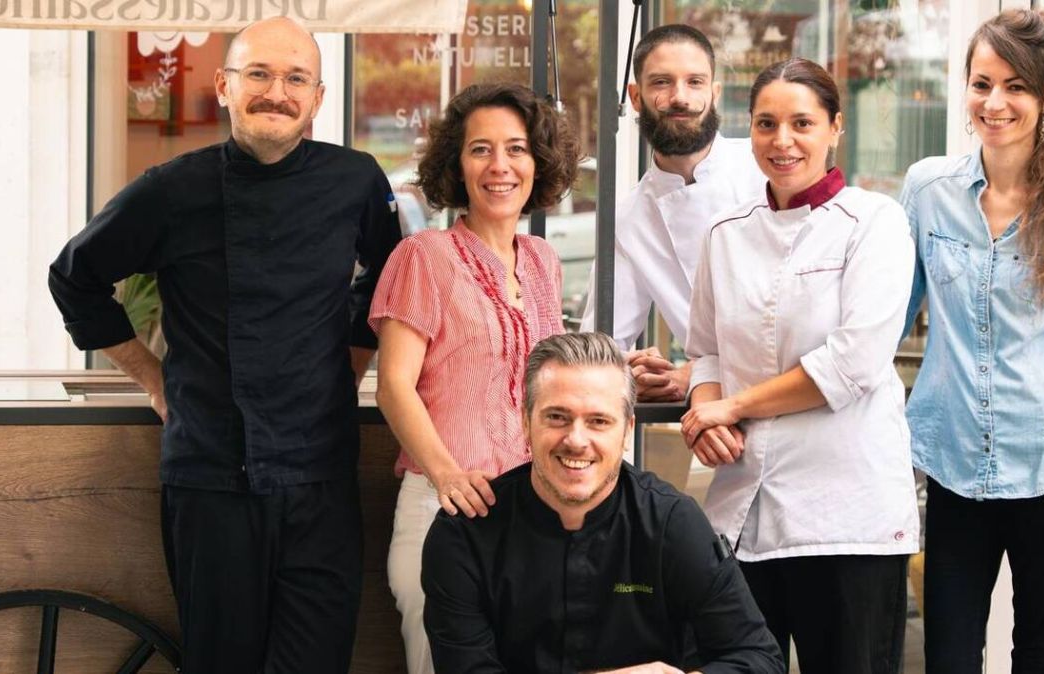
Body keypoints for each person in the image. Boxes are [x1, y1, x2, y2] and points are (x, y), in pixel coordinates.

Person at [47, 17, 400, 674]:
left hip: (321, 475)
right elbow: (75, 277)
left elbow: (390, 277)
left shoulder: (355, 181)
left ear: (317, 98)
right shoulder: (170, 189)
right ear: (225, 87)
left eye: (297, 78)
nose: (278, 92)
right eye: (259, 75)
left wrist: (353, 362)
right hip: (212, 478)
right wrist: (151, 379)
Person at [899, 10, 1044, 673]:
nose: (994, 103)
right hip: (951, 468)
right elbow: (887, 318)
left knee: (1042, 657)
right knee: (947, 656)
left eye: (1016, 86)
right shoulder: (927, 191)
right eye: (981, 83)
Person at [680, 58, 919, 674]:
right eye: (766, 123)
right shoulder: (725, 233)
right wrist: (709, 416)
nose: (782, 141)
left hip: (847, 518)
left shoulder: (876, 223)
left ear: (835, 128)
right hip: (743, 510)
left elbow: (853, 362)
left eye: (802, 123)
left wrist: (729, 406)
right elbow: (704, 348)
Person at [369, 82, 581, 674]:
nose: (500, 166)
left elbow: (538, 377)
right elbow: (394, 386)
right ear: (456, 166)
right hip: (444, 511)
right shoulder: (423, 256)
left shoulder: (543, 260)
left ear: (538, 163)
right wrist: (446, 475)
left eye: (516, 149)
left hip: (532, 511)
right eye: (480, 149)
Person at [421, 332, 784, 674]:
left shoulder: (671, 522)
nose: (576, 440)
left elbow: (759, 658)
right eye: (557, 417)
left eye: (598, 421)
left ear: (627, 430)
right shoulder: (466, 534)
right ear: (525, 423)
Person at [580, 24, 766, 402]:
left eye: (695, 82)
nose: (679, 97)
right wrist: (633, 375)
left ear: (714, 94)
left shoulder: (768, 170)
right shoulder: (630, 218)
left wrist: (695, 374)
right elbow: (600, 344)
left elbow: (797, 325)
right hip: (721, 428)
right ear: (635, 97)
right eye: (661, 83)